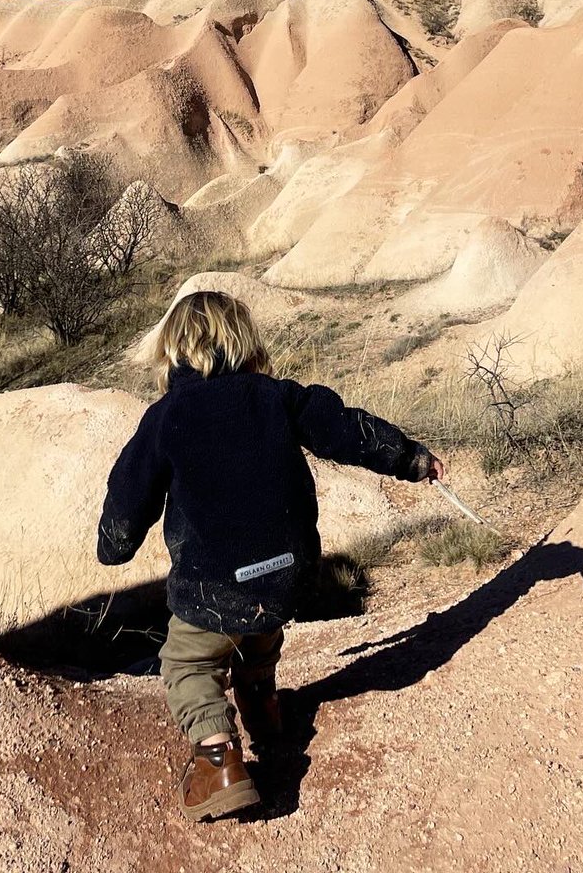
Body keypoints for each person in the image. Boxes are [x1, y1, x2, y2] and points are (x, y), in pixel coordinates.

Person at [96, 290, 445, 822]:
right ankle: (262, 706)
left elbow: (128, 495)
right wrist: (411, 458)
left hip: (216, 583)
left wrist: (113, 546)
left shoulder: (166, 417)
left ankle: (219, 762)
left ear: (174, 350)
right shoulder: (279, 396)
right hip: (291, 572)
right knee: (259, 620)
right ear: (245, 342)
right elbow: (347, 429)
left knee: (189, 659)